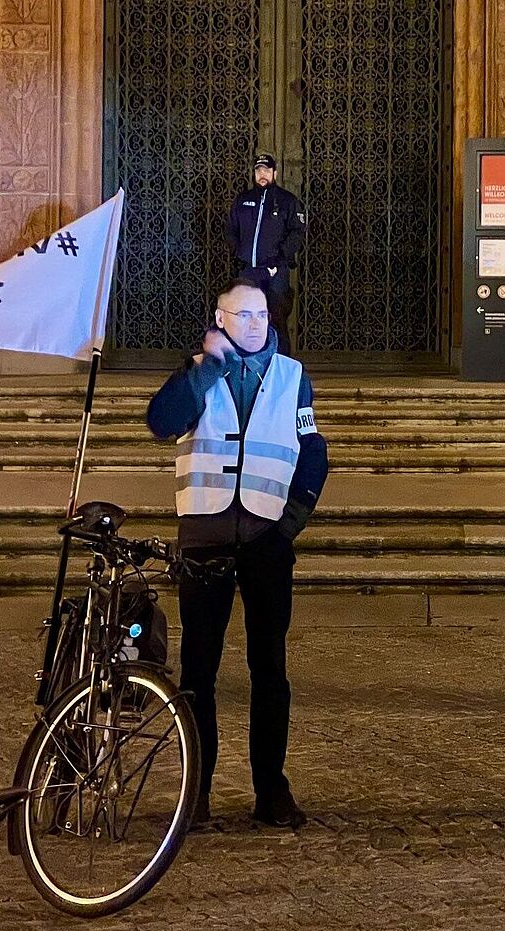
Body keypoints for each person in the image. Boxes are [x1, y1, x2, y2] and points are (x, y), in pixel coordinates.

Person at [146, 275, 328, 828]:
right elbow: (162, 423)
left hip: (266, 542)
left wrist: (288, 526)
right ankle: (195, 794)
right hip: (204, 540)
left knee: (269, 670)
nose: (255, 324)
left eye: (263, 316)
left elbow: (312, 451)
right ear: (221, 320)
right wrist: (206, 367)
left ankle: (271, 790)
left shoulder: (293, 376)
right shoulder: (197, 372)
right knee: (199, 672)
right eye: (244, 315)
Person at [224, 153, 307, 355]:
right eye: (259, 170)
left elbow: (297, 233)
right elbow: (230, 229)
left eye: (267, 170)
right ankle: (247, 367)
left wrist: (279, 259)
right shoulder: (243, 201)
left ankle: (280, 367)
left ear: (275, 173)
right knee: (243, 320)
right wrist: (239, 254)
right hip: (248, 272)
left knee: (276, 321)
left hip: (275, 273)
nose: (263, 174)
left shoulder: (287, 201)